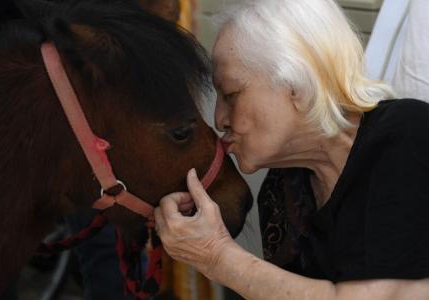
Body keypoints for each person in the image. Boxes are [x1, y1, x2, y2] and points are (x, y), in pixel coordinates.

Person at [154, 0, 429, 299]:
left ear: (296, 84)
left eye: (231, 94)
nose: (219, 119)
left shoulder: (406, 136)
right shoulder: (282, 189)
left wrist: (217, 256)